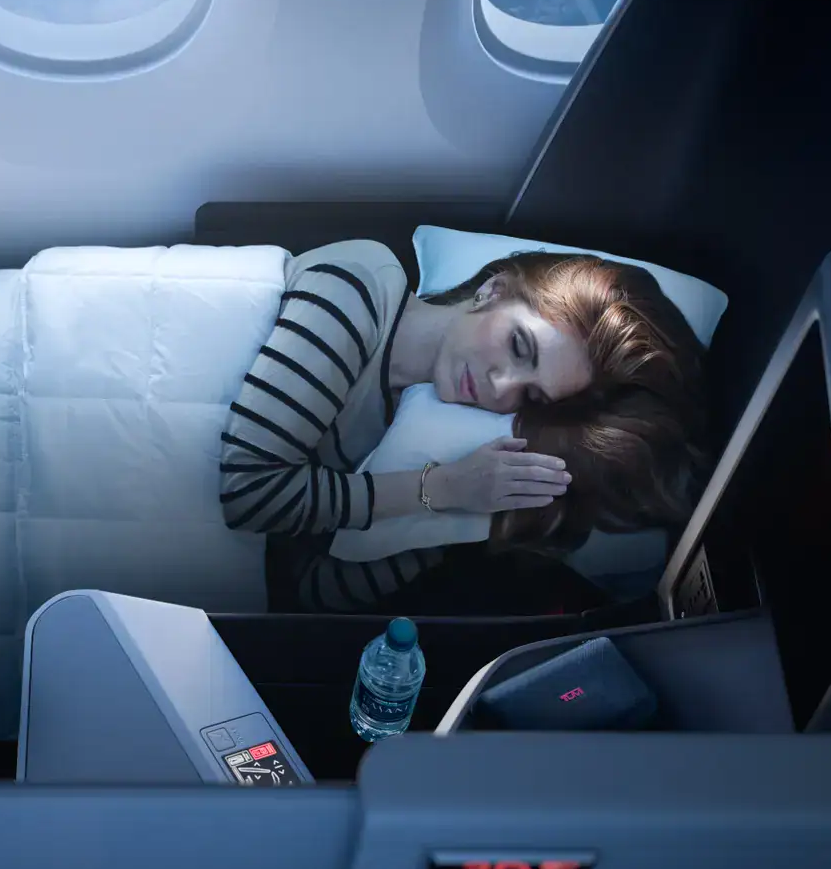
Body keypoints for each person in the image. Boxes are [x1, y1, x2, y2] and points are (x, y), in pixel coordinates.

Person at [218, 239, 707, 614]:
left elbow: (309, 591)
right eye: (520, 346)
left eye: (531, 394)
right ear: (492, 290)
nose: (501, 387)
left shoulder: (420, 435)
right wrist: (437, 489)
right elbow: (250, 495)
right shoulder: (360, 285)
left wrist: (464, 523)